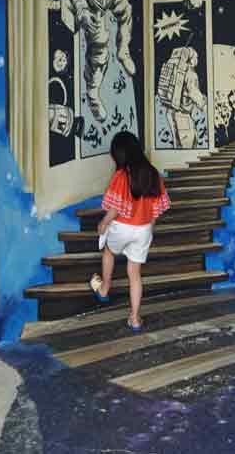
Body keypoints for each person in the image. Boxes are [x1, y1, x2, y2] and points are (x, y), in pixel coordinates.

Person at [90, 131, 170, 332]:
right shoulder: (153, 174)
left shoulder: (122, 175)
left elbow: (115, 208)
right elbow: (156, 210)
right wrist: (149, 228)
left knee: (109, 251)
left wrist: (104, 223)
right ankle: (134, 318)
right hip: (144, 229)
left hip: (123, 227)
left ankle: (104, 289)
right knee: (134, 273)